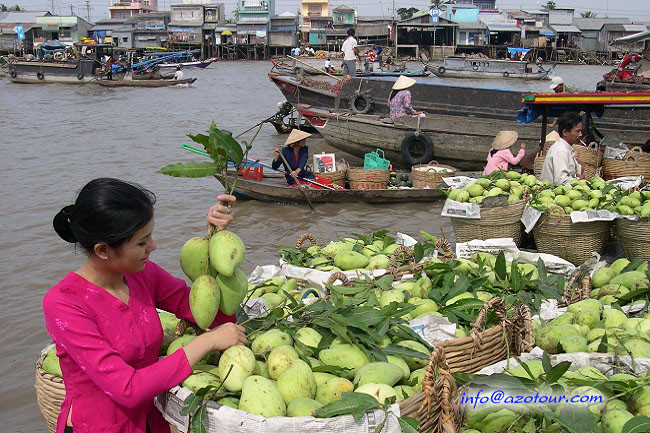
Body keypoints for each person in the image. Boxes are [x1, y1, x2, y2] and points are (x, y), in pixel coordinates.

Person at [43, 178, 246, 433]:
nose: (153, 247)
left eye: (150, 236)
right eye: (142, 242)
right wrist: (207, 342)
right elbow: (127, 389)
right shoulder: (64, 304)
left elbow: (214, 318)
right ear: (103, 250)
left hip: (152, 420)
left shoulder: (143, 274)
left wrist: (215, 245)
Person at [541, 111, 584, 185]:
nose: (580, 134)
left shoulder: (566, 148)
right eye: (578, 131)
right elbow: (561, 181)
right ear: (565, 132)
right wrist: (579, 179)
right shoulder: (561, 151)